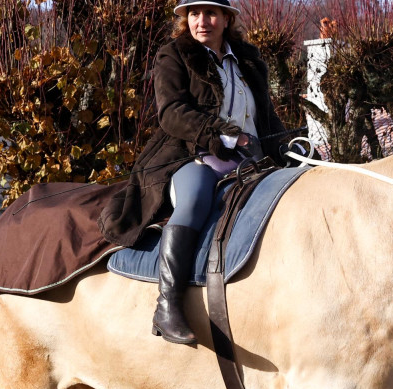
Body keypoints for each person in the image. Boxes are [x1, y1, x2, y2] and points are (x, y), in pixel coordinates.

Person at [99, 0, 293, 344]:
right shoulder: (173, 54)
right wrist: (224, 133)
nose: (202, 21)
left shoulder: (250, 62)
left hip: (252, 162)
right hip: (190, 156)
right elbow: (172, 113)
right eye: (194, 14)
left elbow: (266, 120)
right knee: (196, 195)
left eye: (211, 13)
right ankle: (167, 305)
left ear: (227, 19)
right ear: (185, 19)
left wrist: (292, 147)